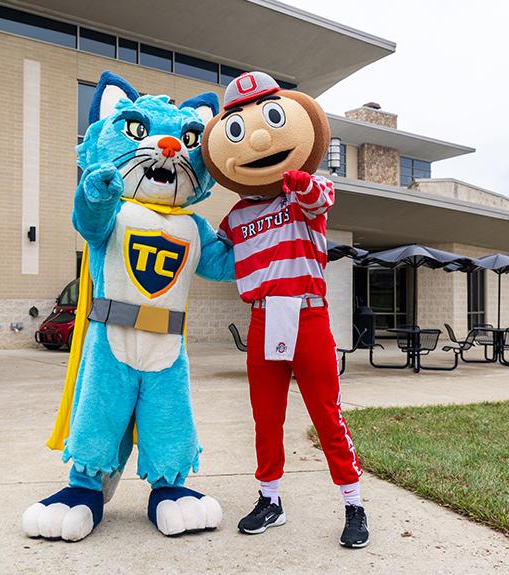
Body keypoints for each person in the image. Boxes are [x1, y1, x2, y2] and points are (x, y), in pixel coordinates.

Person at [201, 71, 368, 548]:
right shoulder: (235, 216)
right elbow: (217, 261)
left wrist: (296, 178)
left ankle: (354, 504)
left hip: (308, 314)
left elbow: (320, 198)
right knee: (265, 414)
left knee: (326, 413)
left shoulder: (306, 192)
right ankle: (270, 498)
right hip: (262, 317)